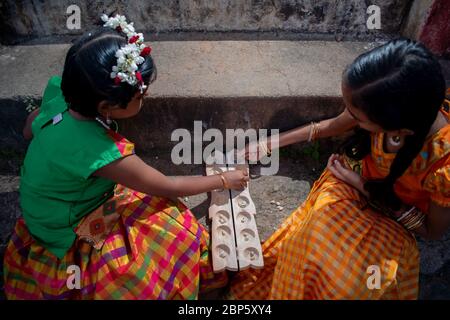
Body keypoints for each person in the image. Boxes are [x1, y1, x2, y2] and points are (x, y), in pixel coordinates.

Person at [3, 15, 249, 300]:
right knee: (171, 227)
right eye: (140, 96)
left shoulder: (60, 96)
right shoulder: (101, 153)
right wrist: (222, 179)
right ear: (106, 106)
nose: (143, 100)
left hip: (43, 211)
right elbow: (168, 186)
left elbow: (27, 130)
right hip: (67, 230)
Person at [230, 39, 450, 299]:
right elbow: (328, 126)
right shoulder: (387, 100)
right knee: (309, 242)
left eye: (357, 118)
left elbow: (431, 231)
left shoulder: (443, 168)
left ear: (398, 130)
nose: (349, 117)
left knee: (347, 288)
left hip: (393, 217)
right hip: (350, 183)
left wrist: (360, 184)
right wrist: (268, 144)